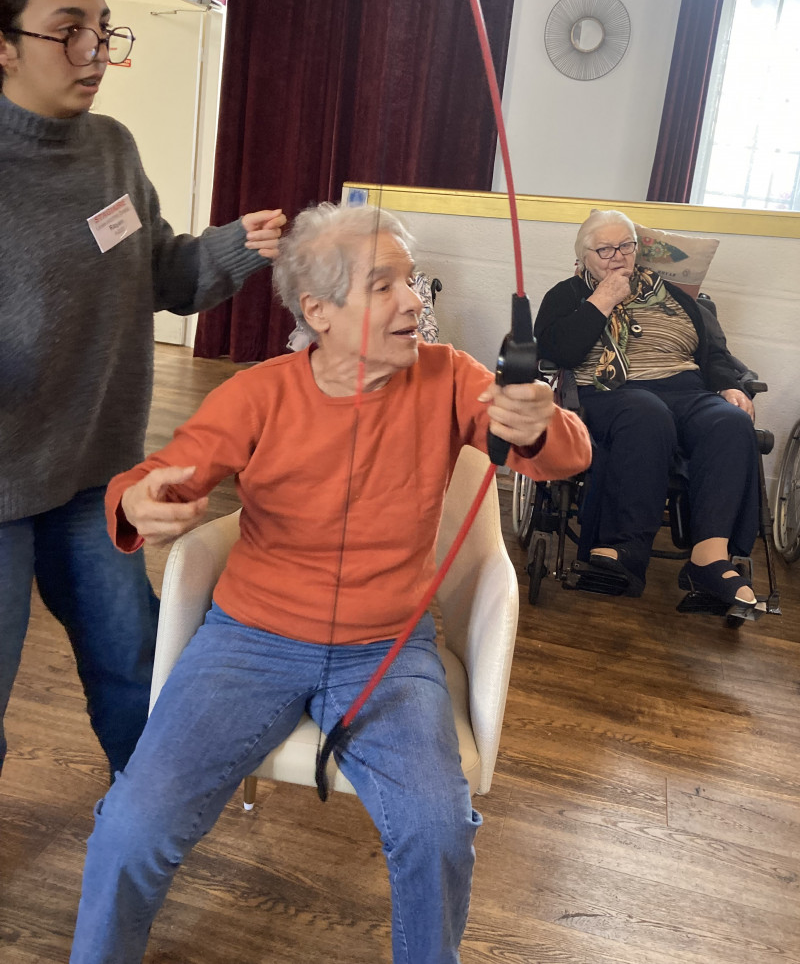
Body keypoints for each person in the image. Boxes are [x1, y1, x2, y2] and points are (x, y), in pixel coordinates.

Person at [69, 202, 592, 964]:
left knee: (436, 830)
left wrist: (539, 422)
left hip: (389, 647)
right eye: (385, 286)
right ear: (319, 310)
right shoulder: (259, 392)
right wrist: (138, 501)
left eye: (412, 283)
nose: (415, 301)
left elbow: (564, 454)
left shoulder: (452, 378)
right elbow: (158, 475)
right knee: (130, 825)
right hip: (247, 641)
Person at [0, 0, 285, 779]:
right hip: (2, 486)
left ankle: (145, 819)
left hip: (95, 476)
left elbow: (161, 273)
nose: (95, 53)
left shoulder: (112, 148)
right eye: (69, 29)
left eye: (104, 29)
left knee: (133, 664)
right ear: (4, 45)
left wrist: (237, 246)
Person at [534, 208, 760, 606]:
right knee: (645, 412)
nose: (617, 256)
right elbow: (557, 351)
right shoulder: (566, 295)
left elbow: (714, 353)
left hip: (685, 389)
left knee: (729, 422)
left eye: (625, 246)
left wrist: (727, 386)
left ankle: (709, 559)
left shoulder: (678, 299)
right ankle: (624, 548)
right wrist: (601, 301)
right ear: (583, 256)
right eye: (604, 249)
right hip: (611, 393)